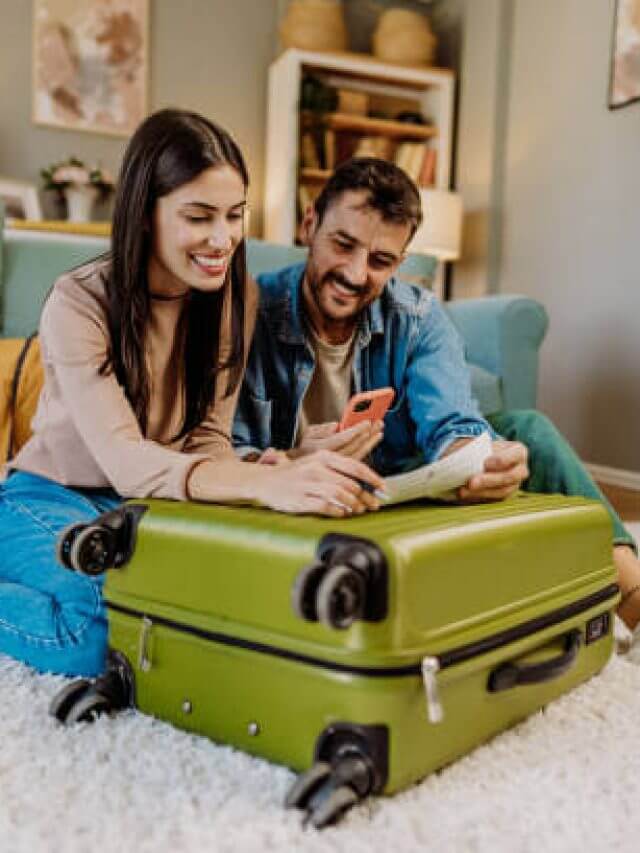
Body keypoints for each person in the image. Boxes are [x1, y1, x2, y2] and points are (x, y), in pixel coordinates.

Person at [0, 110, 384, 678]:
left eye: (235, 214)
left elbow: (206, 436)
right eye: (199, 216)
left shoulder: (233, 299)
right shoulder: (78, 302)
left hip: (146, 506)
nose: (222, 239)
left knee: (211, 603)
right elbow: (126, 460)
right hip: (51, 495)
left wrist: (263, 471)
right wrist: (260, 485)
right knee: (101, 628)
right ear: (145, 213)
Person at [232, 157, 640, 631]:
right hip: (294, 493)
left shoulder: (418, 316)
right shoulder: (245, 313)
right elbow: (224, 450)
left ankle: (633, 596)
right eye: (343, 245)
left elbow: (451, 422)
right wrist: (294, 458)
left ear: (400, 262)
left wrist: (476, 463)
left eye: (381, 261)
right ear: (309, 224)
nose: (356, 274)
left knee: (529, 430)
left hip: (391, 484)